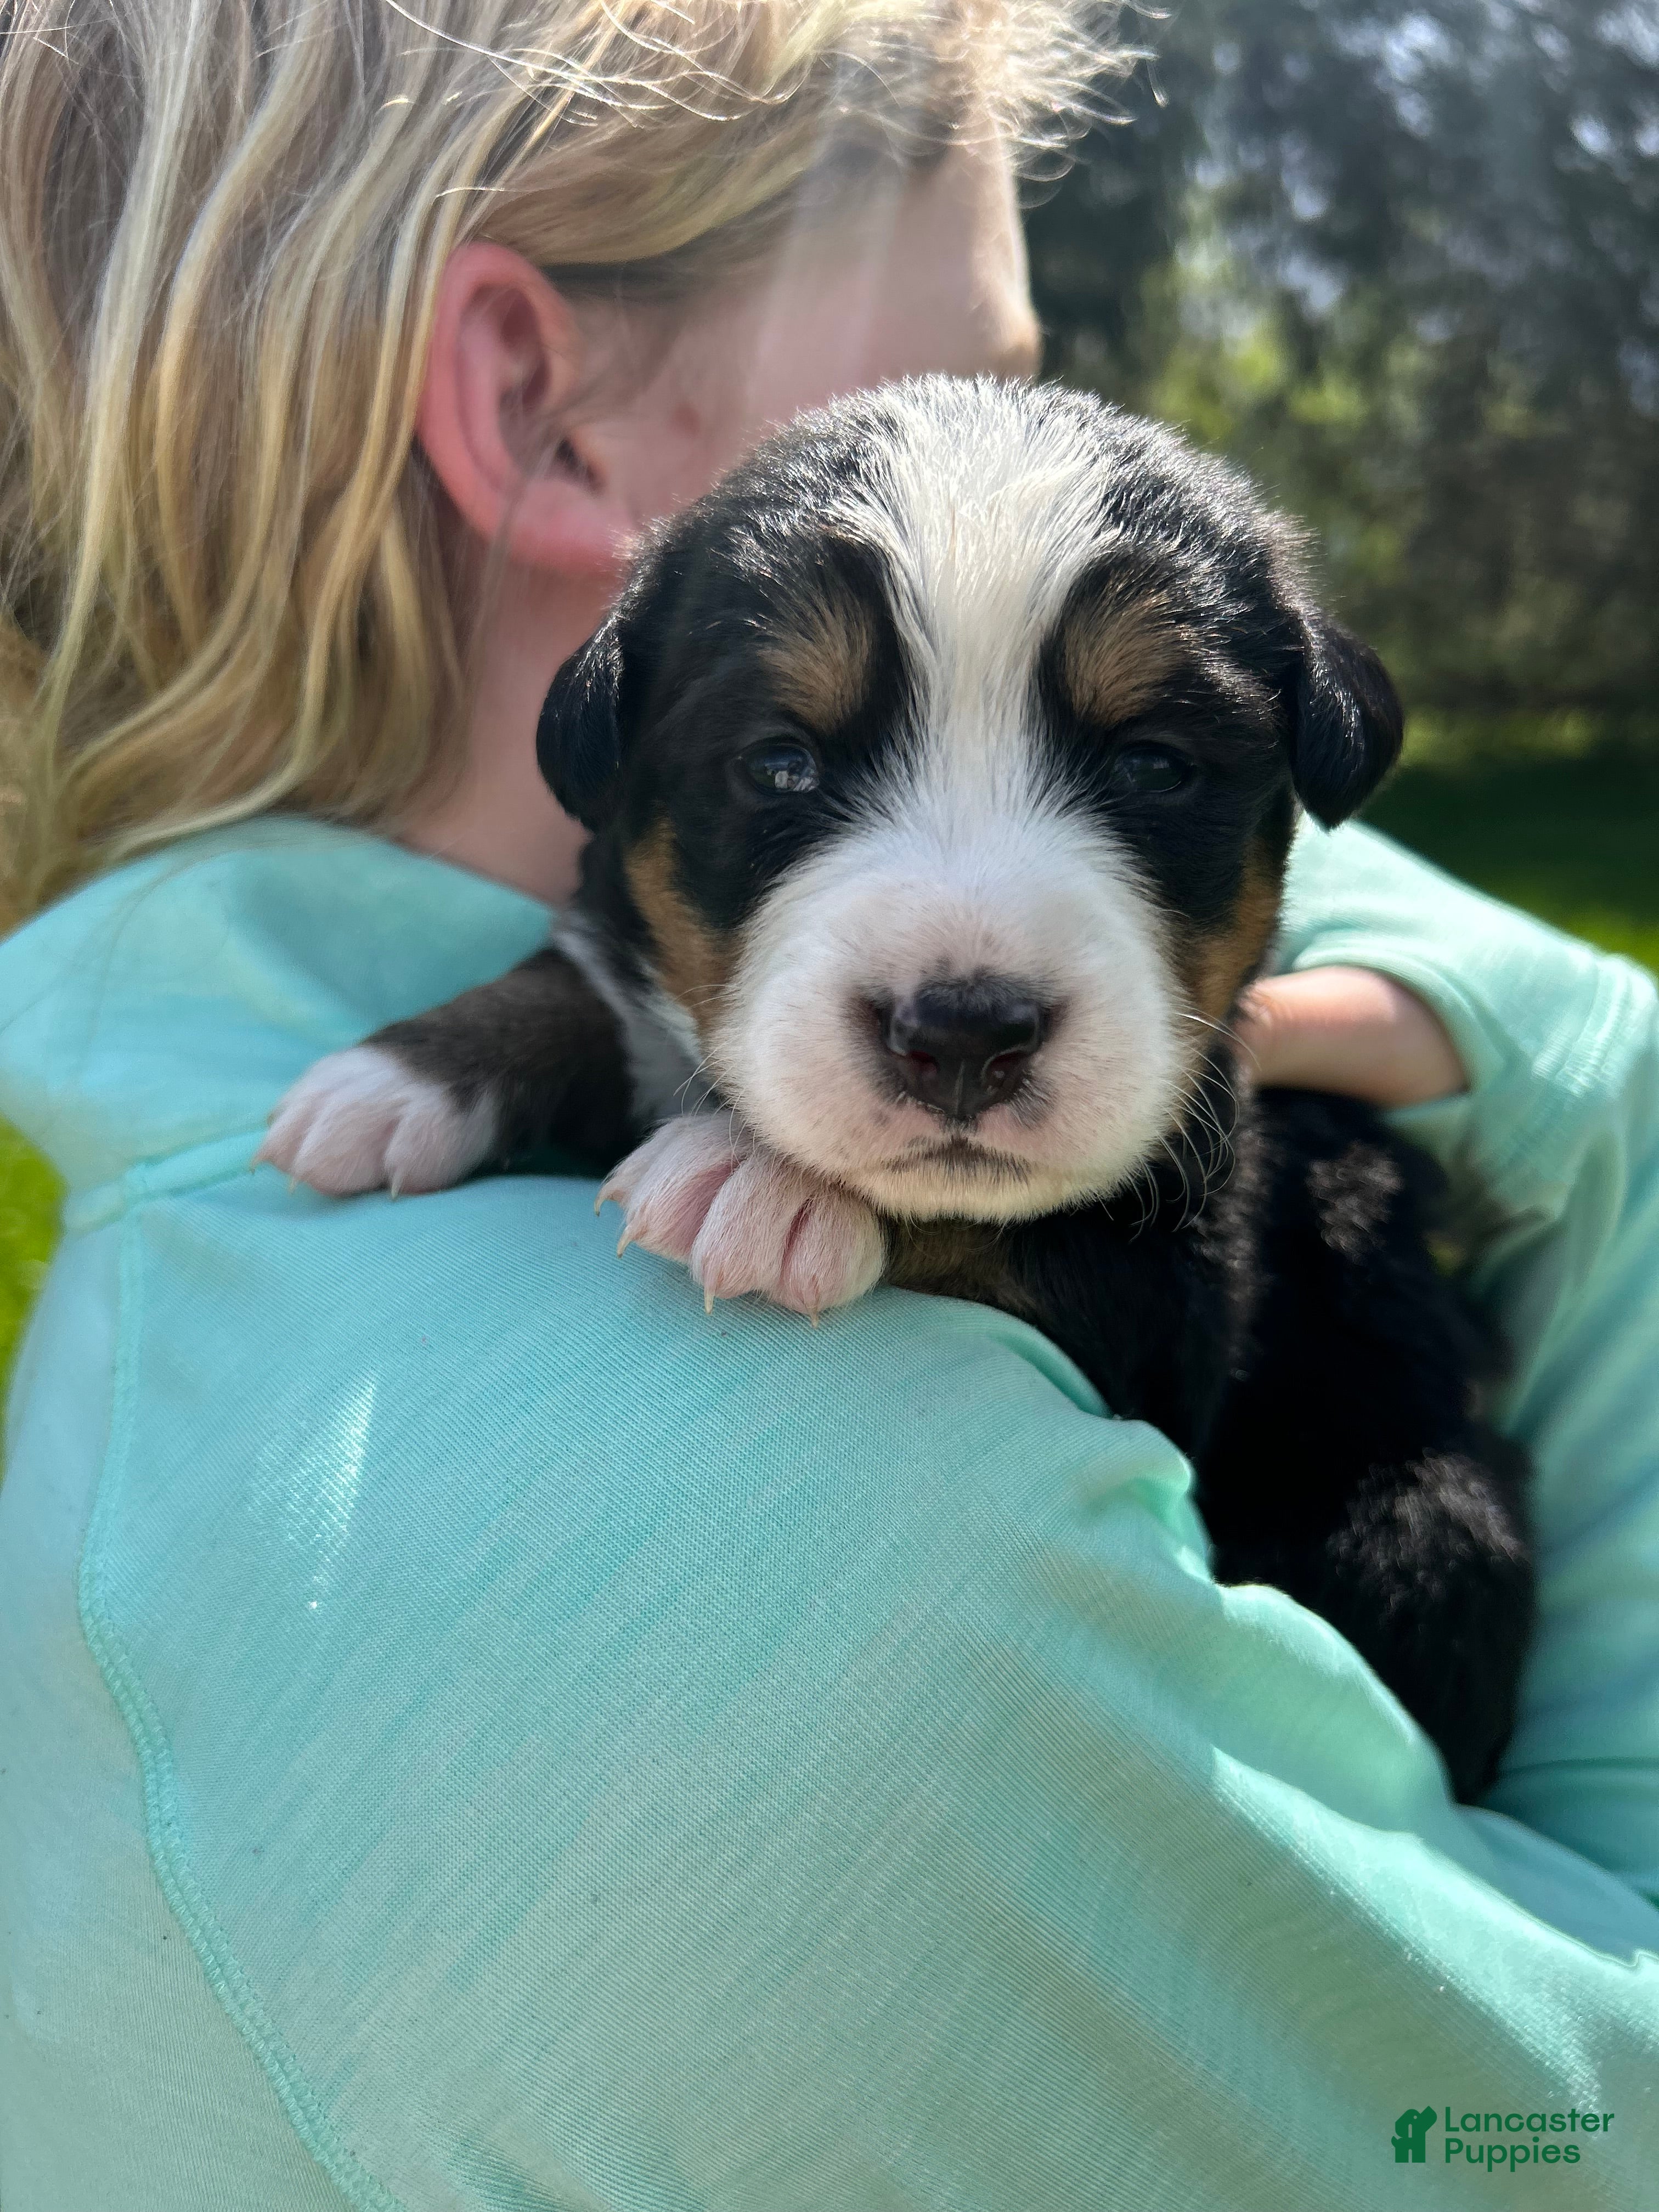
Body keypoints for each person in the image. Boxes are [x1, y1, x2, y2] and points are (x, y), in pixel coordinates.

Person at [0, 4, 1654, 2207]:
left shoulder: (174, 1190)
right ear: (539, 410)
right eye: (977, 338)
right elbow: (1561, 2132)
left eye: (1145, 769)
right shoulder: (861, 1567)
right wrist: (1610, 1116)